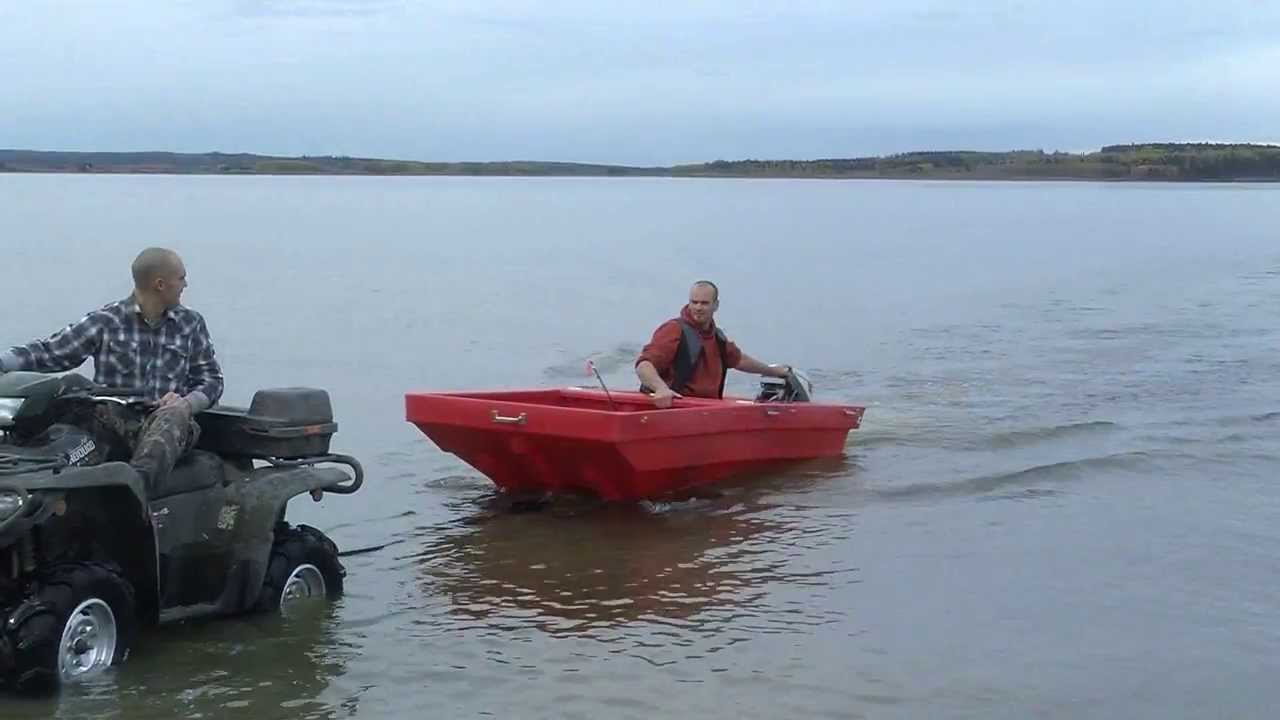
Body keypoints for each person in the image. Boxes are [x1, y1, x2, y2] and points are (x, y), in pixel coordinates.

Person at [0, 247, 224, 493]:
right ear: (160, 284)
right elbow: (50, 351)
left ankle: (134, 491)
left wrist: (186, 403)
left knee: (173, 416)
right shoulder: (107, 321)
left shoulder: (190, 324)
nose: (185, 285)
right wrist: (2, 363)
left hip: (165, 422)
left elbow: (212, 380)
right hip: (116, 419)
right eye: (181, 278)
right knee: (75, 397)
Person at [635, 280, 791, 408]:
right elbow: (644, 365)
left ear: (715, 305)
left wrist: (774, 371)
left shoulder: (718, 338)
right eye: (694, 302)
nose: (698, 308)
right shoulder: (673, 330)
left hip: (707, 411)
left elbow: (739, 360)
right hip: (677, 410)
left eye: (704, 303)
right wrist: (661, 389)